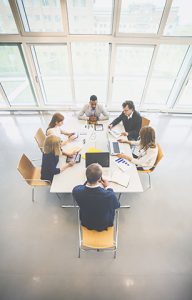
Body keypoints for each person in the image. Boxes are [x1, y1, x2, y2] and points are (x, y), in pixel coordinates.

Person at [72, 163, 120, 231]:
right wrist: (108, 187)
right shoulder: (109, 195)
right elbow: (117, 205)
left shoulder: (76, 191)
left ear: (86, 176)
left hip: (86, 222)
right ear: (100, 179)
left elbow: (81, 187)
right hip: (104, 224)